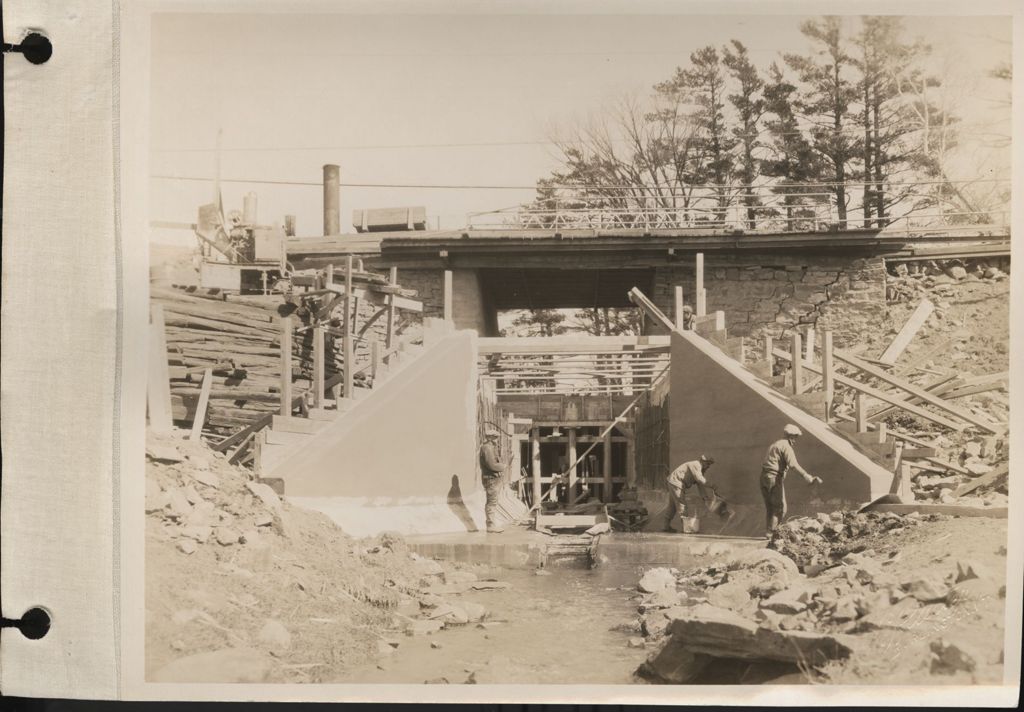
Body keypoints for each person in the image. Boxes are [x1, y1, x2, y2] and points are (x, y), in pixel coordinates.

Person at [761, 424, 823, 537]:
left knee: (770, 507)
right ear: (791, 436)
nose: (795, 440)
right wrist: (807, 476)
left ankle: (768, 532)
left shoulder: (774, 445)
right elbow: (793, 465)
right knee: (780, 508)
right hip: (774, 478)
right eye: (795, 437)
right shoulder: (786, 446)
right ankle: (772, 534)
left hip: (764, 478)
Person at [665, 455, 714, 532]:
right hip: (676, 482)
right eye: (708, 464)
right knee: (682, 505)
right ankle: (687, 529)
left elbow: (700, 485)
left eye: (710, 464)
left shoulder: (700, 470)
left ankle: (665, 527)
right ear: (703, 462)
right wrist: (712, 485)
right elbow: (700, 479)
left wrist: (705, 498)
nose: (708, 466)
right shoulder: (696, 464)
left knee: (672, 506)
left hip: (673, 482)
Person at [479, 428, 506, 533]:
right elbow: (492, 465)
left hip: (492, 479)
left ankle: (492, 524)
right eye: (495, 437)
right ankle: (491, 525)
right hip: (491, 479)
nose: (497, 439)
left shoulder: (490, 448)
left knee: (493, 502)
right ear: (489, 438)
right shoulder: (487, 448)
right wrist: (503, 466)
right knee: (491, 502)